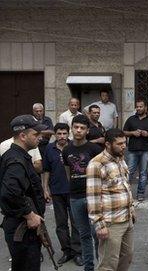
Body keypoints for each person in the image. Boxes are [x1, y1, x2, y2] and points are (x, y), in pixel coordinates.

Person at [0, 115, 47, 271]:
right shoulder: (15, 160)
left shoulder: (18, 156)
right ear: (22, 136)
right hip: (22, 227)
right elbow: (10, 192)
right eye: (35, 134)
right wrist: (29, 215)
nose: (39, 137)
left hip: (25, 227)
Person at [86, 128, 135, 271]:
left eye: (124, 143)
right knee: (108, 264)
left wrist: (131, 210)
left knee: (126, 257)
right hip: (110, 222)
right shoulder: (97, 164)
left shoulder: (120, 159)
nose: (124, 146)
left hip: (127, 218)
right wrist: (99, 225)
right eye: (119, 144)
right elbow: (92, 196)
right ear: (107, 144)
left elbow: (125, 186)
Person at [63, 114, 104, 271]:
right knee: (84, 235)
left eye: (82, 128)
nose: (78, 130)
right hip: (75, 197)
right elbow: (68, 173)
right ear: (72, 128)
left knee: (97, 234)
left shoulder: (94, 149)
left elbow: (101, 173)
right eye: (76, 127)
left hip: (93, 197)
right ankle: (89, 267)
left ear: (87, 130)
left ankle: (102, 265)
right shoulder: (66, 150)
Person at [42, 123, 81, 265]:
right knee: (61, 224)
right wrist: (45, 188)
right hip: (57, 191)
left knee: (76, 223)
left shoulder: (74, 147)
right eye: (59, 134)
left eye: (64, 133)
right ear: (55, 134)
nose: (62, 137)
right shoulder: (49, 149)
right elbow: (46, 170)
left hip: (74, 192)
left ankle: (77, 252)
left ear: (68, 133)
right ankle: (67, 251)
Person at [122, 97, 148, 201]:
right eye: (137, 107)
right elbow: (124, 132)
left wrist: (147, 134)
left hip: (146, 149)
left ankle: (140, 194)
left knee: (143, 173)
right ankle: (125, 193)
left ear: (145, 108)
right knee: (129, 172)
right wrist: (132, 133)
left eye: (140, 106)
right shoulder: (131, 119)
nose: (138, 108)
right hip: (132, 149)